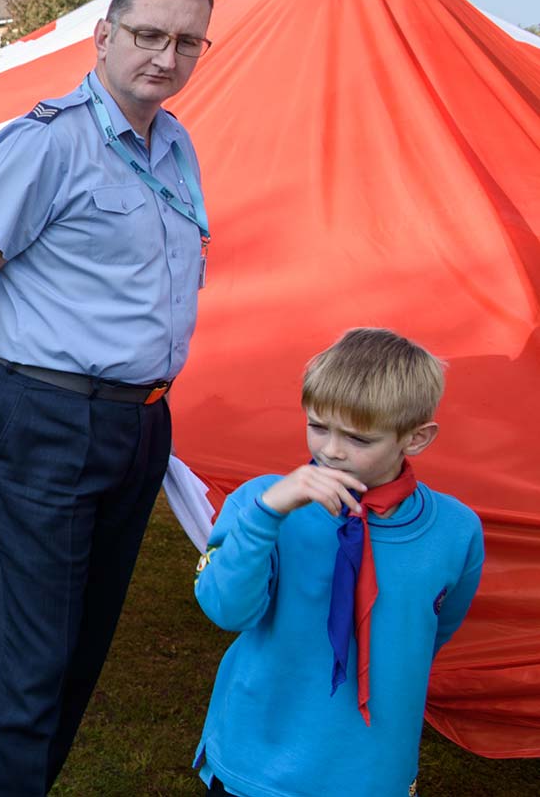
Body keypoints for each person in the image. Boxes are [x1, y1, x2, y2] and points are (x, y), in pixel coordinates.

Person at [0, 0, 223, 797]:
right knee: (31, 661)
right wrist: (21, 377)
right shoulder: (48, 143)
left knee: (83, 649)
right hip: (47, 417)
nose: (166, 56)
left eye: (187, 42)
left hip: (138, 424)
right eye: (149, 34)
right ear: (104, 35)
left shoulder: (175, 141)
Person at [192, 328, 482, 797]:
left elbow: (431, 632)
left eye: (359, 438)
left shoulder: (456, 530)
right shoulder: (263, 502)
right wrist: (265, 516)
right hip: (256, 761)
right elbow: (226, 610)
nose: (330, 450)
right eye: (318, 426)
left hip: (370, 770)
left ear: (416, 438)